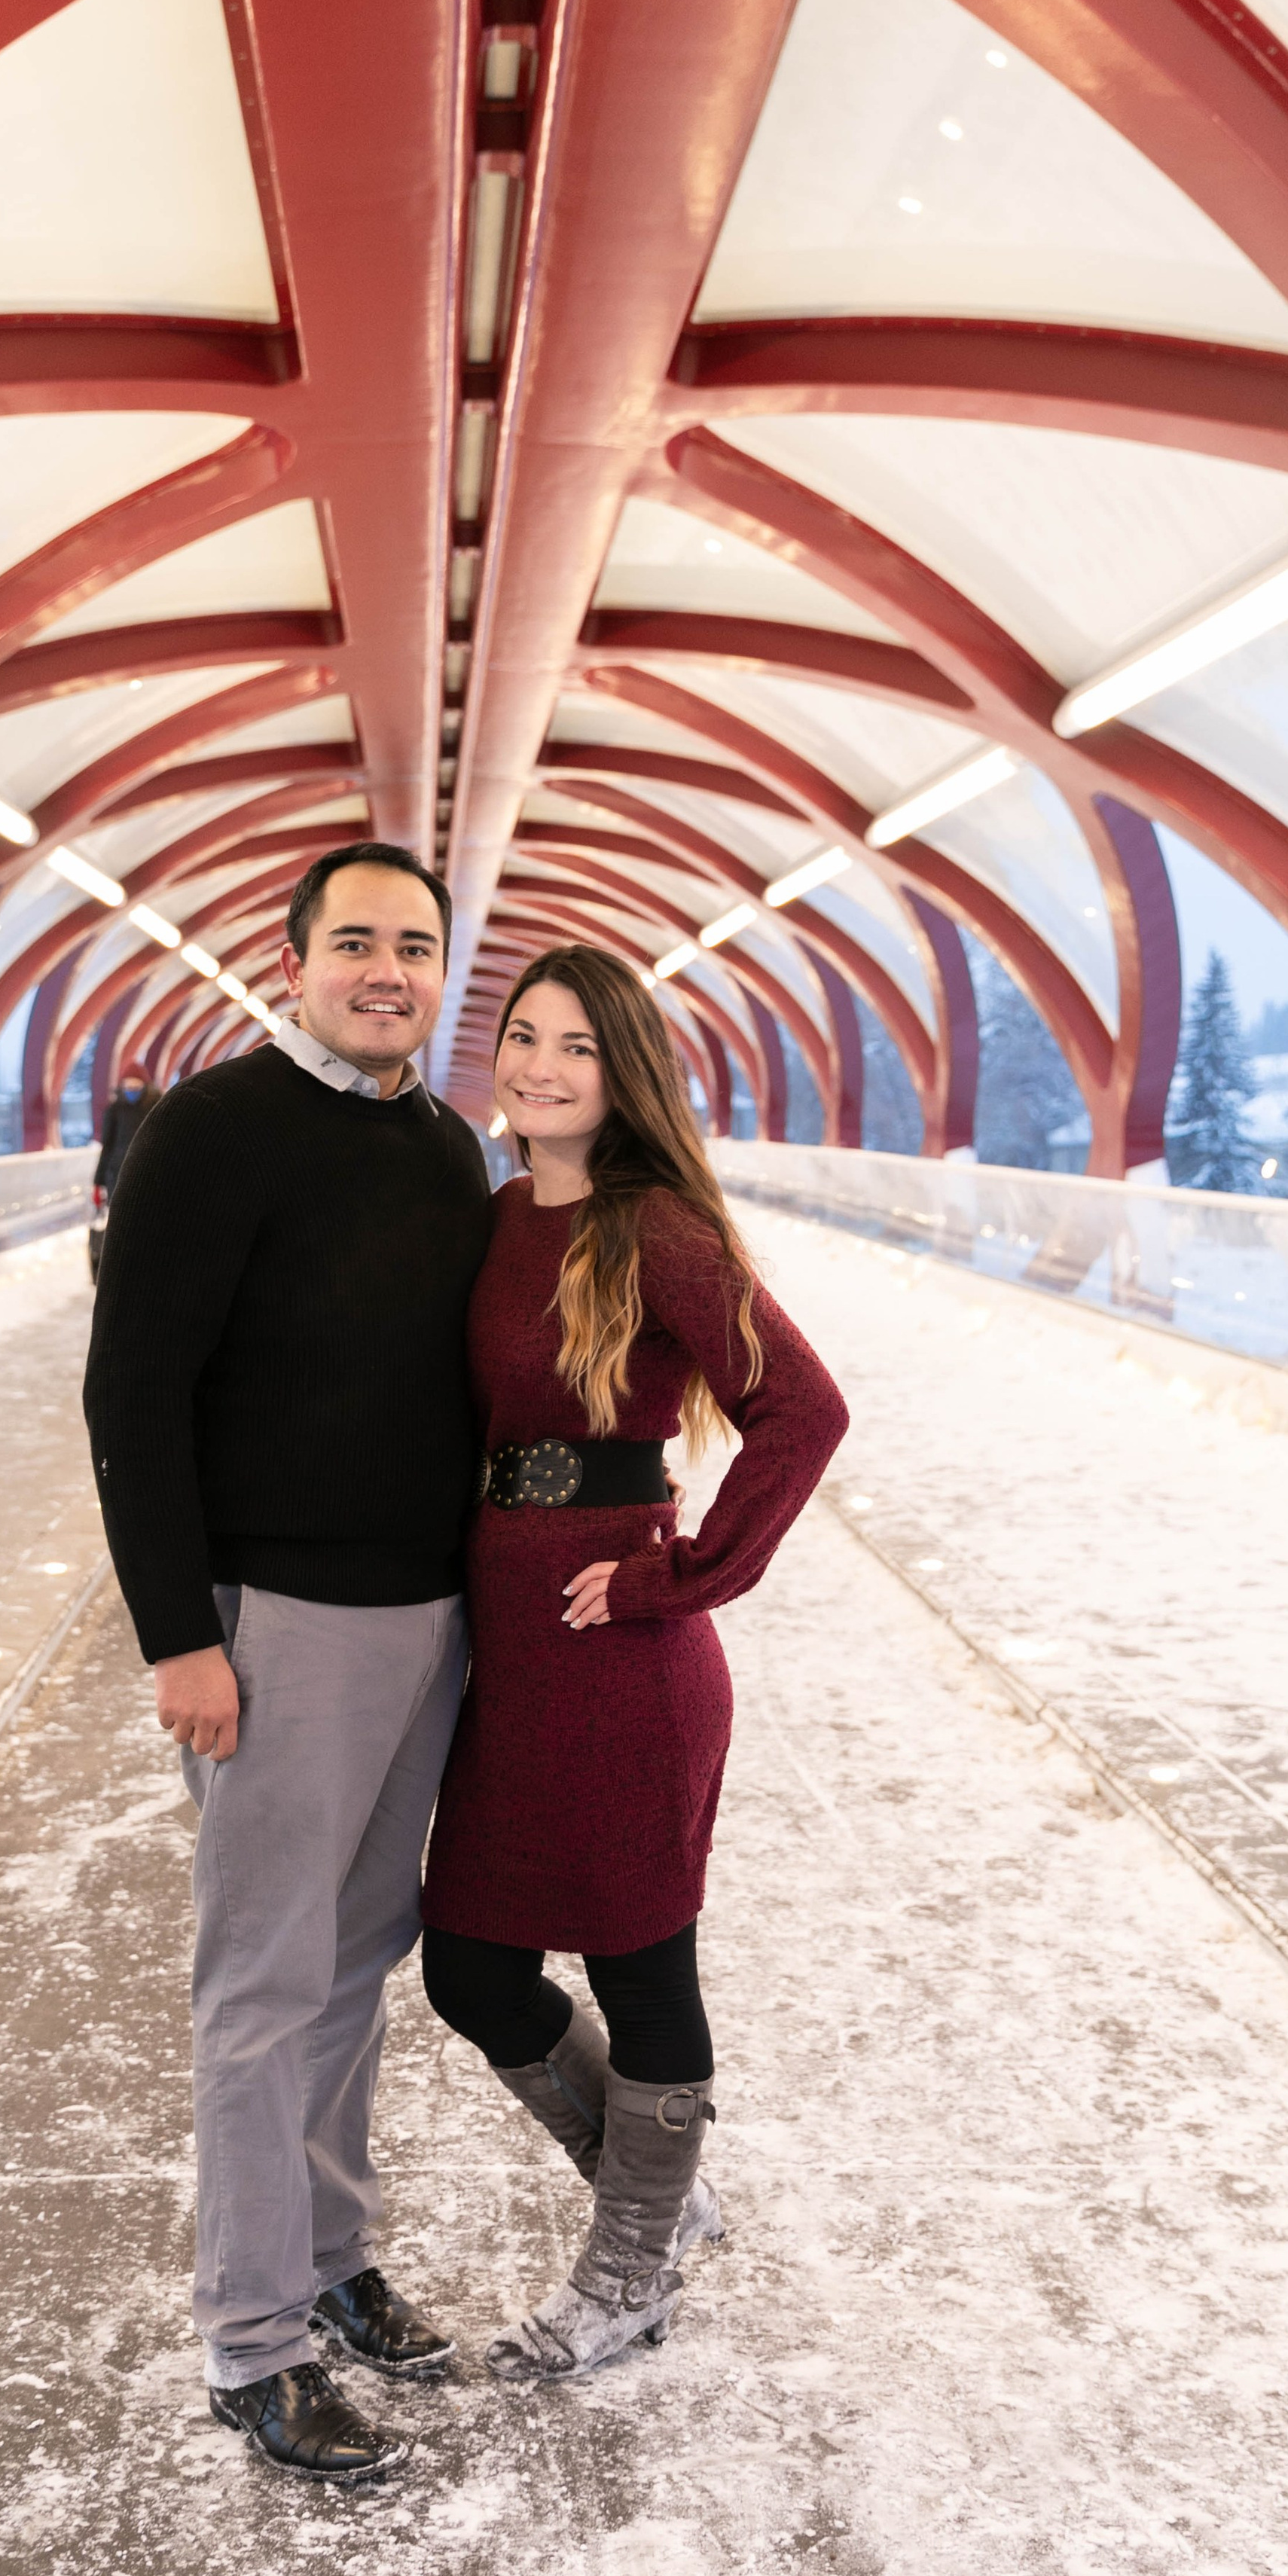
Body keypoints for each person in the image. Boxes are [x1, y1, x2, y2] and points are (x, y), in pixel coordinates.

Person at [84, 842, 490, 2482]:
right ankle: (251, 2344)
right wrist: (180, 1631)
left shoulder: (443, 1144)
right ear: (295, 956)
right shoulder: (212, 1128)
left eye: (414, 945)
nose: (386, 970)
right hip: (278, 1622)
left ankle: (328, 2264)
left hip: (424, 1620)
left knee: (351, 1962)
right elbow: (132, 1397)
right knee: (260, 1984)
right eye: (357, 943)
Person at [421, 942, 848, 2377]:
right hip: (509, 1650)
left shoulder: (651, 1225)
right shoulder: (489, 1222)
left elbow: (804, 1411)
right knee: (473, 1963)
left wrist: (687, 1576)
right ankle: (653, 2193)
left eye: (576, 1048)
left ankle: (629, 2269)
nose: (538, 1066)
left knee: (641, 1964)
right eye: (522, 1037)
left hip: (623, 1657)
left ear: (624, 1075)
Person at [89, 1063, 158, 1282]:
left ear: (145, 1085)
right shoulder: (114, 1110)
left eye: (136, 1085)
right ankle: (124, 1268)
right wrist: (98, 1182)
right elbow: (106, 1147)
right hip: (117, 1175)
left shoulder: (156, 1105)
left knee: (145, 1222)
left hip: (149, 1174)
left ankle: (144, 1264)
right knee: (121, 1222)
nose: (131, 1089)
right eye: (128, 1085)